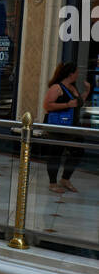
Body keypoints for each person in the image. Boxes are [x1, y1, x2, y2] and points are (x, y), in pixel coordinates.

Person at [43, 61, 91, 192]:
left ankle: (65, 179)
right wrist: (66, 105)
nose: (78, 74)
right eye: (76, 72)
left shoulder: (73, 87)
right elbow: (47, 106)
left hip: (72, 128)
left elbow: (77, 103)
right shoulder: (56, 88)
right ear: (71, 74)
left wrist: (87, 91)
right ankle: (52, 183)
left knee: (78, 151)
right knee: (55, 154)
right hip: (58, 127)